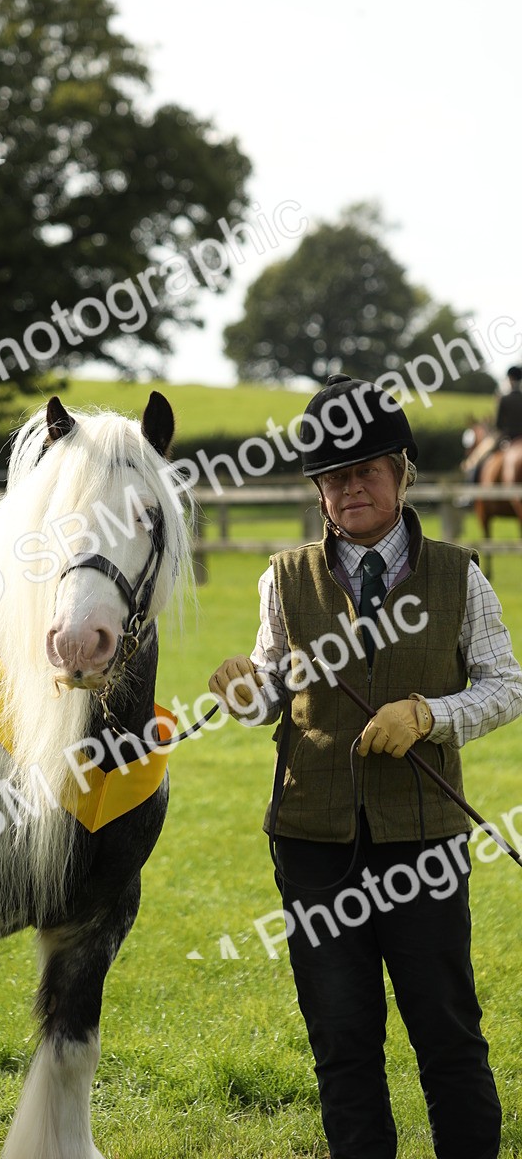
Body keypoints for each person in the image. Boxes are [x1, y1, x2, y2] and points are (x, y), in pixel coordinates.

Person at [208, 373, 522, 1159]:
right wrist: (247, 691)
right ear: (318, 490)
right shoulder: (283, 578)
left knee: (447, 1034)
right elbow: (274, 686)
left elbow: (508, 684)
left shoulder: (459, 573)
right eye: (334, 476)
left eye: (367, 471)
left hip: (425, 845)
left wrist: (430, 715)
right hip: (312, 845)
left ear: (401, 476)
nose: (351, 488)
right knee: (342, 1044)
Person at [496, 363, 522, 441]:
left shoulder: (504, 399)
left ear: (510, 379)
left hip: (509, 438)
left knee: (486, 451)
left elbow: (498, 425)